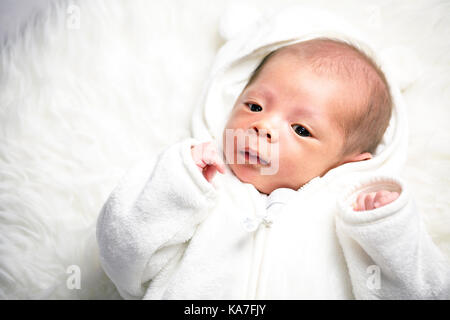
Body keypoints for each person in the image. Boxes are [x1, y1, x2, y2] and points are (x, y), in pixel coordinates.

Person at [96, 38, 450, 299]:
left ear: (347, 164)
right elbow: (122, 262)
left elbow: (427, 293)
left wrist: (386, 232)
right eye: (254, 105)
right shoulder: (200, 189)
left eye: (301, 129)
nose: (263, 125)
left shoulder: (347, 225)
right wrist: (174, 187)